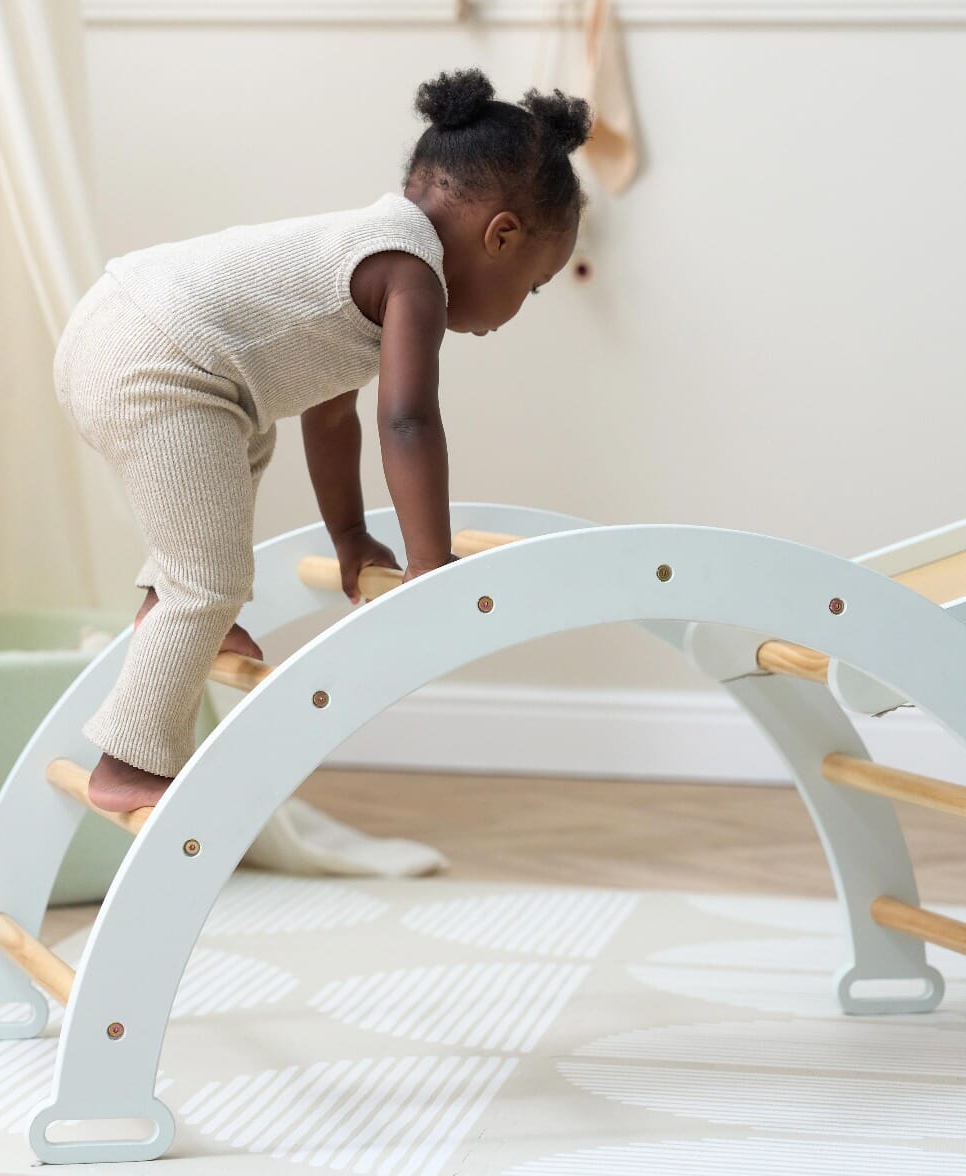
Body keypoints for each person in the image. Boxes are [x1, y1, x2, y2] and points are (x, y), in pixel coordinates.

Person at [53, 67, 591, 813]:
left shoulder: (365, 252)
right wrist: (430, 566)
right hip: (157, 355)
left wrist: (351, 535)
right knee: (209, 578)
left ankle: (165, 605)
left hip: (127, 330)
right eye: (533, 285)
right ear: (502, 235)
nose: (517, 309)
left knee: (242, 446)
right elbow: (407, 420)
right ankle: (129, 759)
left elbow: (328, 413)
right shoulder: (412, 277)